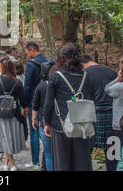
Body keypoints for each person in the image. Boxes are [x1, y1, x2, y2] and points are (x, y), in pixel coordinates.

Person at [44, 43, 95, 171]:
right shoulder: (87, 76)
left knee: (62, 162)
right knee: (82, 161)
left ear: (62, 57)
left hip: (60, 124)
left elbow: (49, 103)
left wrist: (46, 122)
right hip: (82, 124)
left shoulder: (56, 77)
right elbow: (91, 99)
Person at [0, 57, 29, 171]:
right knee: (10, 138)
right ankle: (7, 163)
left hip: (0, 113)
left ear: (2, 67)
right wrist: (26, 108)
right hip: (14, 113)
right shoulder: (17, 82)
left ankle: (11, 164)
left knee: (4, 138)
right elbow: (22, 98)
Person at [80, 54, 118, 171]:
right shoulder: (112, 72)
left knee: (85, 150)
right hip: (113, 115)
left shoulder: (84, 74)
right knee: (113, 151)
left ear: (82, 64)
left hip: (92, 114)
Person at [24, 42, 48, 169]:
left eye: (27, 52)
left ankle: (35, 161)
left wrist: (25, 104)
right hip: (49, 100)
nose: (27, 55)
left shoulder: (31, 65)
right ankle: (48, 158)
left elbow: (27, 86)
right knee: (48, 130)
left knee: (34, 131)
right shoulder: (50, 61)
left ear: (32, 51)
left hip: (35, 102)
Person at [31, 62, 58, 171]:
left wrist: (33, 119)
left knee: (48, 153)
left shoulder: (41, 86)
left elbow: (35, 104)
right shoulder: (59, 83)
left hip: (44, 122)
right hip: (59, 122)